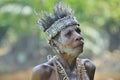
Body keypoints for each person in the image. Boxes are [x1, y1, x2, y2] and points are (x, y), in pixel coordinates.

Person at [32, 3, 96, 80]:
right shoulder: (43, 73)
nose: (78, 36)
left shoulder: (88, 67)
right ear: (54, 44)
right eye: (68, 34)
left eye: (78, 31)